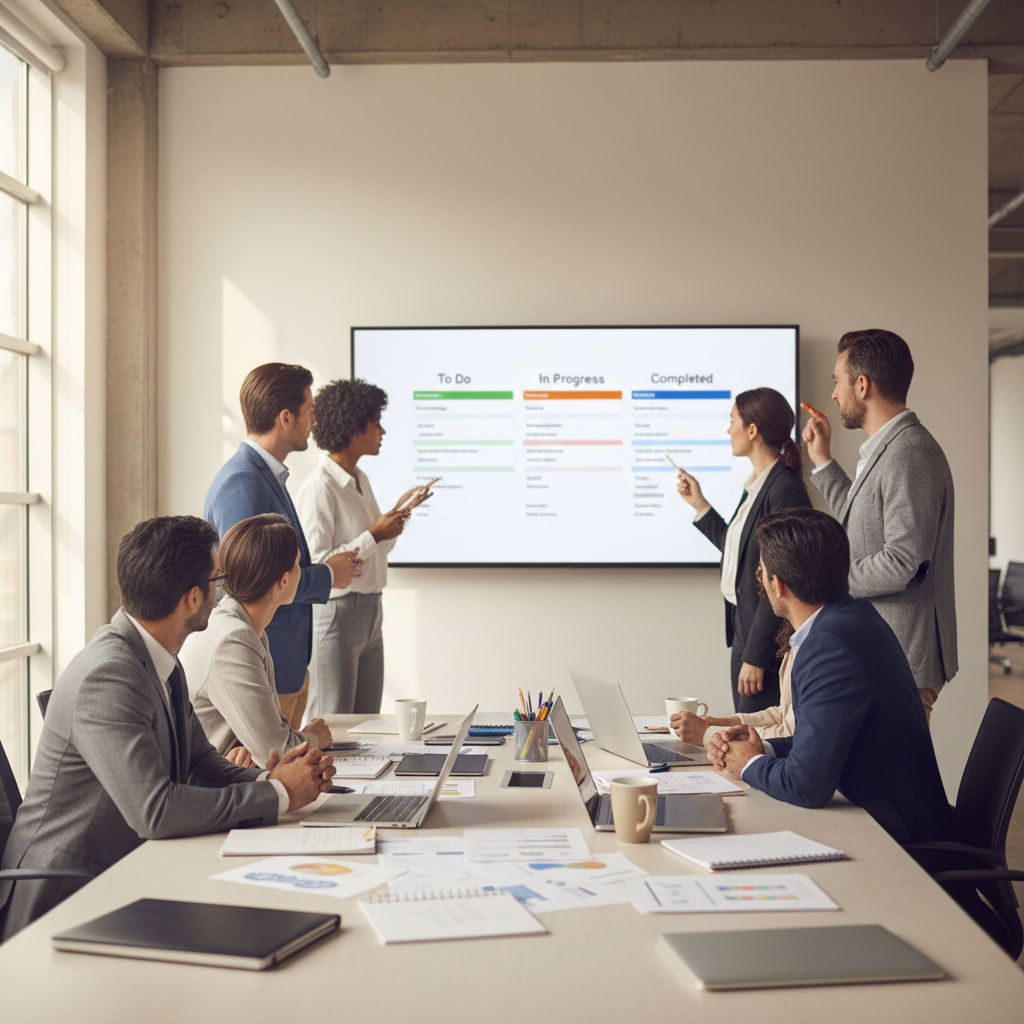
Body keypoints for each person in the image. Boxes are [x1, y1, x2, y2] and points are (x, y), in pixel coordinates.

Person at [0, 516, 337, 940]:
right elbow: (155, 811)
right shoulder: (108, 675)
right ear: (193, 598)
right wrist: (279, 794)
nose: (224, 591)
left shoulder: (160, 658)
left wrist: (272, 779)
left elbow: (199, 762)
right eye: (217, 580)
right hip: (64, 896)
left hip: (128, 869)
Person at [705, 507, 953, 847]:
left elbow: (807, 786)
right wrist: (760, 747)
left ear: (778, 585)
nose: (759, 576)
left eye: (761, 571)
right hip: (882, 818)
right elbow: (823, 740)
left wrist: (750, 764)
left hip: (898, 843)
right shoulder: (853, 618)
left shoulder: (830, 646)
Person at [802, 329, 956, 722]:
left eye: (837, 381)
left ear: (862, 385)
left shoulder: (909, 453)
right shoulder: (888, 449)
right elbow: (861, 518)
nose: (833, 393)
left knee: (895, 763)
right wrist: (822, 461)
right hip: (888, 649)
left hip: (903, 654)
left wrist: (830, 581)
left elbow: (905, 563)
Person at [204, 362, 362, 730]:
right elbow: (253, 582)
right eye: (310, 411)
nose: (315, 421)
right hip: (263, 669)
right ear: (286, 418)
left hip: (285, 667)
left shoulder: (266, 475)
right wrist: (328, 575)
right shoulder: (243, 482)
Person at [296, 378, 433, 716]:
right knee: (332, 722)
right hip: (337, 615)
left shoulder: (360, 480)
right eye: (376, 422)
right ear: (353, 428)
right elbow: (317, 565)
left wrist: (397, 517)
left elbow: (379, 549)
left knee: (366, 724)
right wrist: (373, 534)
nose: (382, 431)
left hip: (371, 612)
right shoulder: (320, 487)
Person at [676, 387, 811, 713]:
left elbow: (781, 575)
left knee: (757, 732)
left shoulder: (784, 488)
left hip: (764, 643)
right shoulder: (757, 485)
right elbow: (741, 552)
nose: (728, 430)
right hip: (745, 630)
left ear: (752, 430)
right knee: (746, 725)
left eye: (732, 421)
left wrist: (756, 655)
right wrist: (700, 505)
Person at [179, 513, 334, 768]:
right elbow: (277, 751)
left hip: (229, 774)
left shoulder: (242, 627)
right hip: (210, 784)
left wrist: (257, 749)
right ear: (284, 581)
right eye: (297, 564)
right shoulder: (233, 640)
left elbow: (267, 743)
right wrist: (313, 737)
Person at [671, 644, 795, 746]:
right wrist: (722, 722)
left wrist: (707, 733)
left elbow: (792, 735)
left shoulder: (803, 649)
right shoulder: (793, 644)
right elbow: (783, 713)